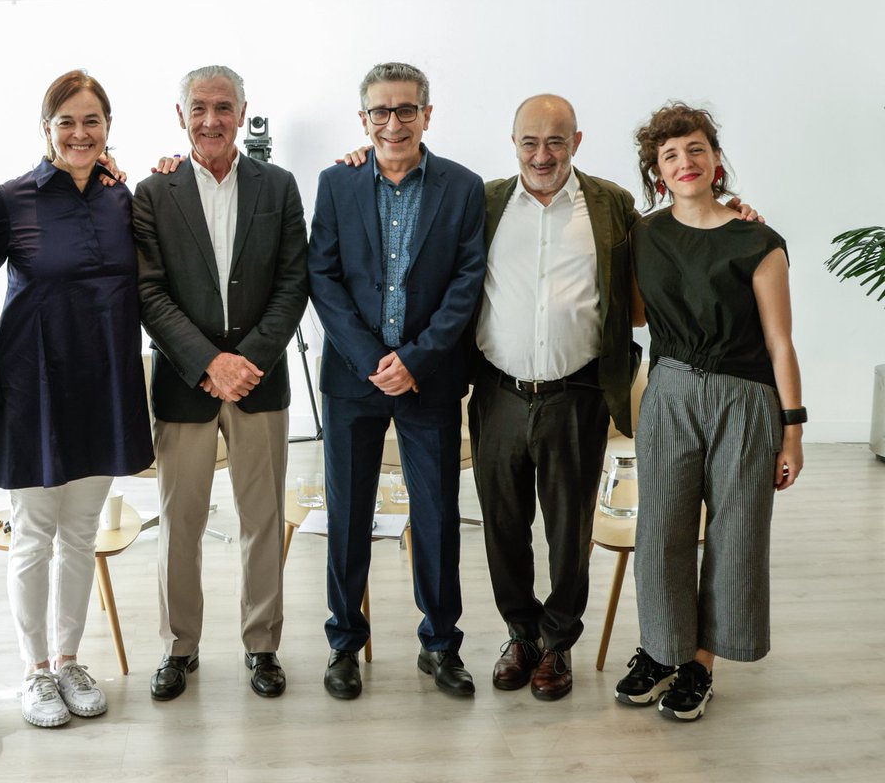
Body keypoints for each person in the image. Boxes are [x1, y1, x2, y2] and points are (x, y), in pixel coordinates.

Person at [466, 95, 759, 702]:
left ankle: (558, 642)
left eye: (555, 141)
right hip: (497, 390)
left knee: (569, 530)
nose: (541, 155)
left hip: (577, 391)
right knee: (503, 525)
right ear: (513, 143)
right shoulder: (484, 202)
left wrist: (732, 211)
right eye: (529, 142)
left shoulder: (612, 205)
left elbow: (681, 225)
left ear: (576, 142)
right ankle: (521, 634)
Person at [0, 70, 153, 728]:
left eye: (91, 121)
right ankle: (35, 670)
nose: (80, 133)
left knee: (81, 533)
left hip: (104, 383)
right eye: (67, 122)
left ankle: (71, 659)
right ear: (46, 129)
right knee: (33, 535)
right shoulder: (11, 199)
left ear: (108, 128)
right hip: (35, 388)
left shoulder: (121, 197)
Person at [614, 102, 803, 721]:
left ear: (716, 159)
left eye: (696, 149)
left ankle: (699, 664)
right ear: (657, 171)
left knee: (736, 532)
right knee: (660, 529)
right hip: (669, 390)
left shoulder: (758, 241)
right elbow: (637, 315)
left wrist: (793, 433)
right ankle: (660, 650)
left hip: (745, 399)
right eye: (669, 155)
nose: (684, 162)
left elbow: (780, 342)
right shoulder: (644, 236)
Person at [308, 62, 486, 700]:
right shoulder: (336, 182)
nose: (393, 123)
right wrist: (370, 359)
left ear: (427, 115)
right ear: (363, 119)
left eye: (406, 109)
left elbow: (467, 282)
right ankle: (344, 642)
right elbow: (322, 277)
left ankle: (440, 644)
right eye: (380, 111)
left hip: (428, 379)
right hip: (353, 380)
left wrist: (415, 359)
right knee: (348, 514)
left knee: (436, 514)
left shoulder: (464, 188)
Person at [133, 64, 309, 701]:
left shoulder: (278, 185)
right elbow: (149, 293)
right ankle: (179, 646)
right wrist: (209, 362)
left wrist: (246, 360)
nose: (212, 120)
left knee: (262, 518)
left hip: (260, 380)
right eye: (200, 108)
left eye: (224, 107)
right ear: (181, 115)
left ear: (242, 110)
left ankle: (262, 645)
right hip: (186, 382)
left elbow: (293, 283)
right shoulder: (153, 192)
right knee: (180, 521)